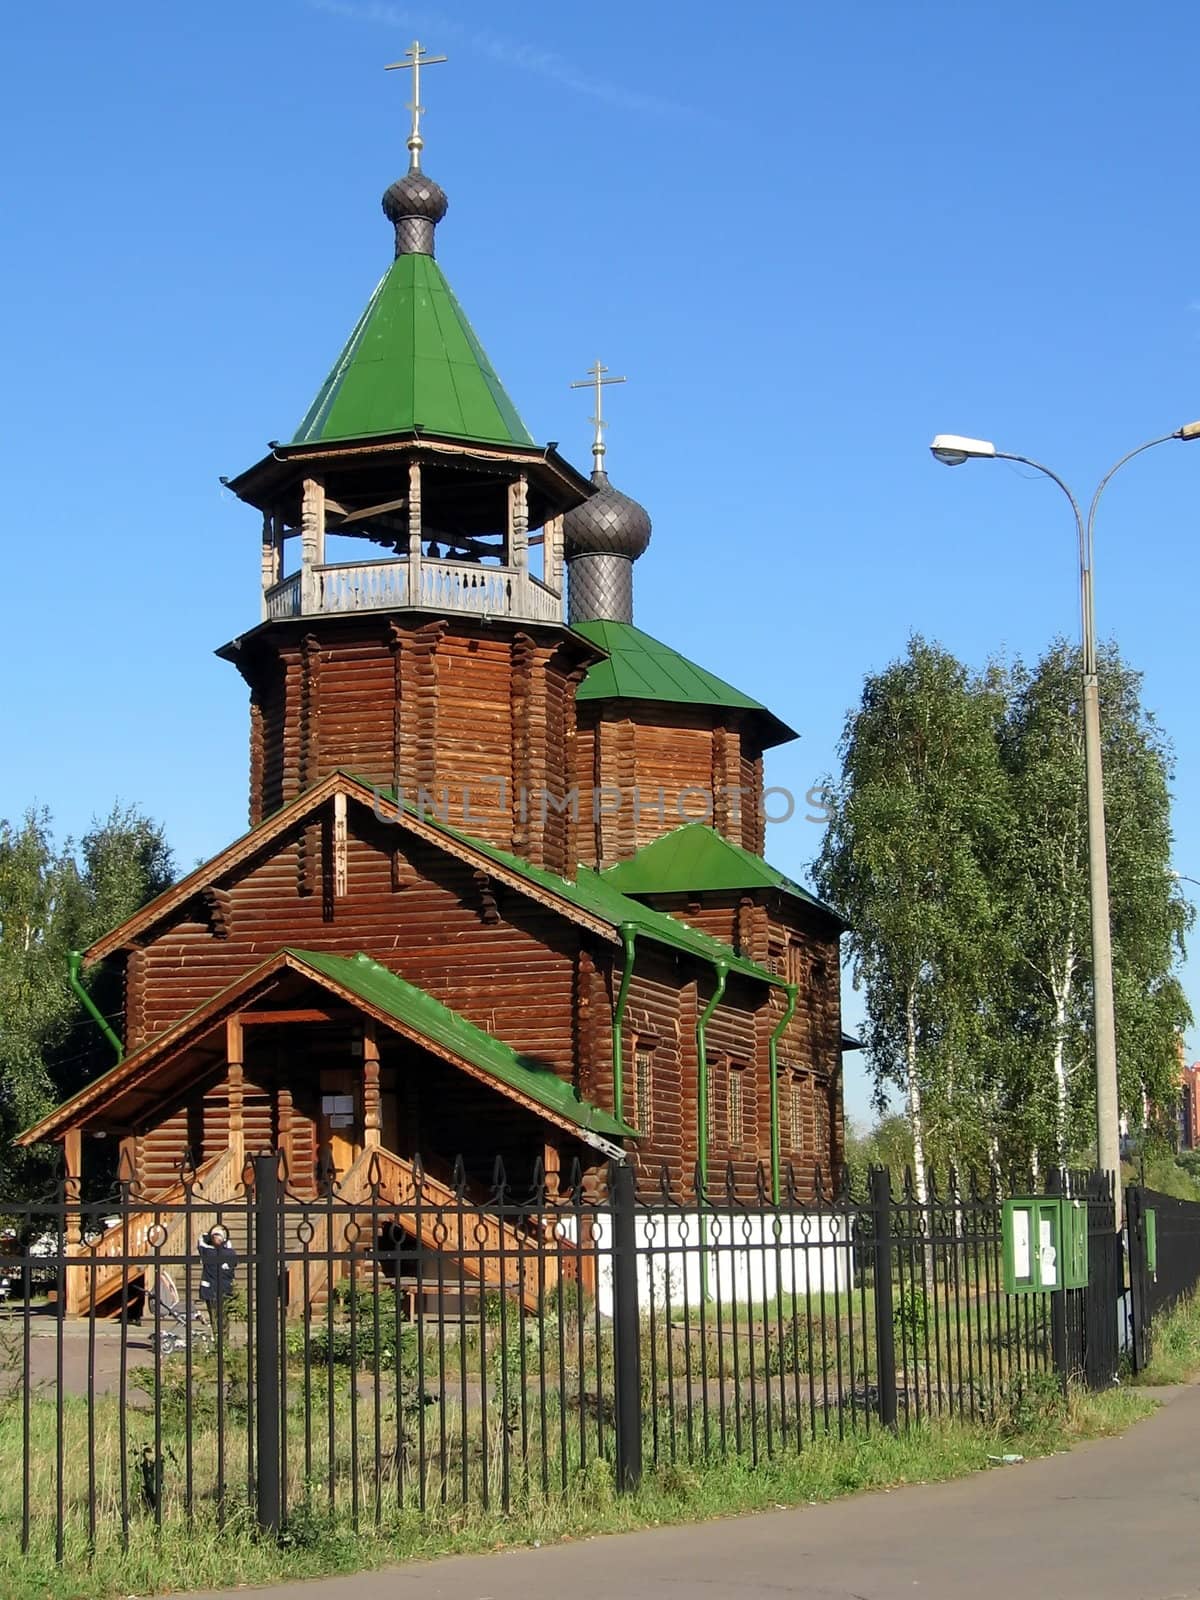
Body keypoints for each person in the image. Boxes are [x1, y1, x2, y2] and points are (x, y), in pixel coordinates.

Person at [198, 1224, 237, 1330]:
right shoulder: (231, 1253)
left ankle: (219, 1340)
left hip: (211, 1291)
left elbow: (201, 1240)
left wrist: (209, 1234)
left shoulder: (208, 1252)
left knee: (215, 1317)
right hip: (225, 1290)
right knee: (224, 1318)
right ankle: (224, 1341)